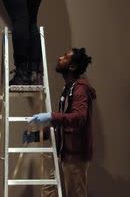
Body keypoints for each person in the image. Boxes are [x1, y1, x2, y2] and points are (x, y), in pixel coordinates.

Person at [27, 48, 96, 197]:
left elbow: (79, 118)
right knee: (48, 190)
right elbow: (62, 122)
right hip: (62, 152)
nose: (59, 58)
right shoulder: (68, 88)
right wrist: (36, 135)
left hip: (74, 156)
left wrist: (51, 116)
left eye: (65, 57)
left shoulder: (80, 90)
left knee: (75, 194)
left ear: (72, 66)